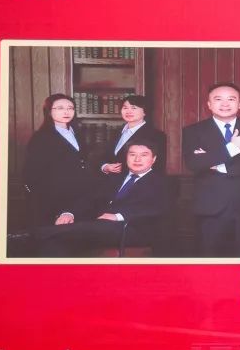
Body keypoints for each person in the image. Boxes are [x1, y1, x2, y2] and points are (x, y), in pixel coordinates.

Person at [183, 82, 240, 257]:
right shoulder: (193, 131)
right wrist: (232, 147)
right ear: (209, 104)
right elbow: (194, 163)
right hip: (210, 208)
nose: (225, 104)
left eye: (231, 99)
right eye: (218, 99)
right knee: (209, 259)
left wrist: (221, 166)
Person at [36, 141, 169, 257]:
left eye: (144, 155)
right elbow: (89, 198)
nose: (137, 159)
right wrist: (69, 213)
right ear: (126, 157)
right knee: (54, 244)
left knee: (69, 232)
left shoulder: (161, 182)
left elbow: (155, 208)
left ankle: (35, 234)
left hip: (132, 229)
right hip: (99, 226)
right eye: (132, 154)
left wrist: (117, 216)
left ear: (153, 159)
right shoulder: (115, 178)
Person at [21, 94, 95, 227]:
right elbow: (33, 174)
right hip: (54, 198)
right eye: (60, 108)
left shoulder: (77, 132)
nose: (66, 112)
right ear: (49, 112)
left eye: (70, 108)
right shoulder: (41, 137)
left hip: (80, 195)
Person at [98, 94, 167, 179]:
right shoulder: (116, 132)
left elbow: (157, 167)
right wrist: (105, 166)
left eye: (133, 108)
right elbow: (103, 155)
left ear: (145, 112)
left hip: (138, 183)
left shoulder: (156, 136)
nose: (128, 111)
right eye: (125, 108)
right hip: (112, 182)